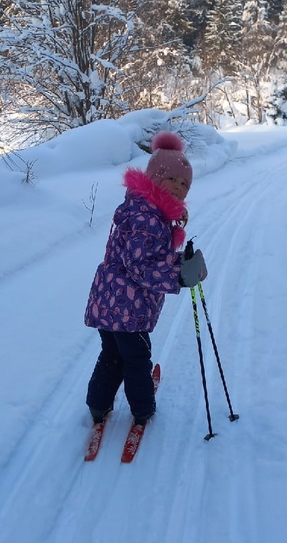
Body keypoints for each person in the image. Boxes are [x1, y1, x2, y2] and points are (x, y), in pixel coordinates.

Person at [84, 131, 207, 426]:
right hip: (128, 307)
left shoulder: (142, 208)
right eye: (172, 180)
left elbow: (143, 258)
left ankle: (98, 405)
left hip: (110, 301)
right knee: (137, 360)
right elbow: (142, 265)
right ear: (154, 177)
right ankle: (142, 409)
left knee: (112, 354)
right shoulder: (147, 217)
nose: (178, 188)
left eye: (184, 184)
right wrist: (179, 273)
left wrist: (177, 261)